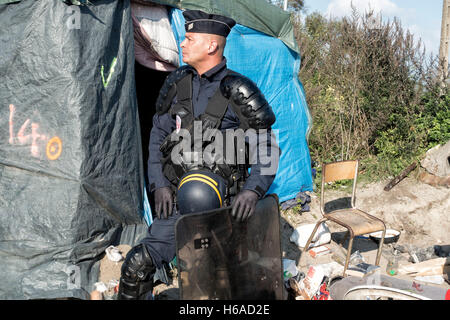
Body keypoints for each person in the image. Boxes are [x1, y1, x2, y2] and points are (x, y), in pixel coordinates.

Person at [118, 9, 280, 300]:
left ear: (211, 45)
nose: (182, 43)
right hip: (181, 207)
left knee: (224, 286)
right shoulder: (177, 84)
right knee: (135, 266)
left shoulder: (239, 90)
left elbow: (267, 148)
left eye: (189, 38)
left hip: (225, 209)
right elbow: (157, 136)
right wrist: (160, 184)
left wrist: (253, 191)